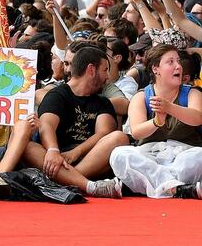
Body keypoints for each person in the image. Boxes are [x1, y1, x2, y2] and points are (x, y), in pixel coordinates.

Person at [22, 45, 128, 198]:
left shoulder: (103, 102)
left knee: (119, 138)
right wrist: (53, 151)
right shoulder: (57, 95)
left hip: (89, 158)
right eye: (105, 70)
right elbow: (46, 125)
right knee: (27, 146)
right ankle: (89, 186)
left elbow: (104, 133)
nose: (107, 77)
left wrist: (75, 152)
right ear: (91, 70)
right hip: (54, 157)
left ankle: (63, 181)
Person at [109, 44, 202, 199]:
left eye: (178, 61)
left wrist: (170, 108)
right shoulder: (141, 96)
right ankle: (176, 189)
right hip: (150, 156)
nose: (178, 66)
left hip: (183, 155)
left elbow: (197, 117)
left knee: (198, 155)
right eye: (170, 62)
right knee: (119, 154)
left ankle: (154, 186)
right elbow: (137, 132)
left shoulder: (192, 93)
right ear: (155, 69)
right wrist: (157, 122)